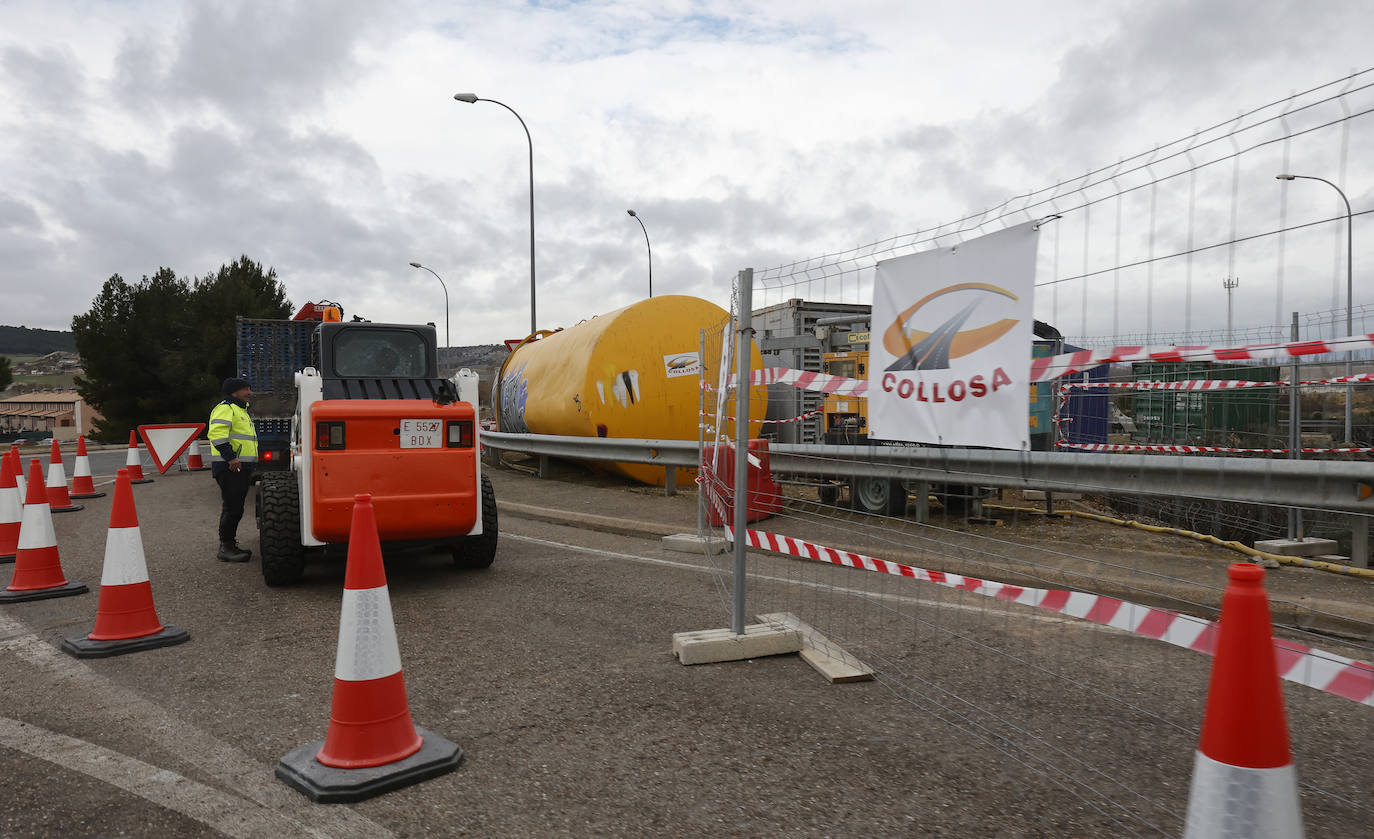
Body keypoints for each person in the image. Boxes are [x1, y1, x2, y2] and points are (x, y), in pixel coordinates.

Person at [208, 377, 258, 562]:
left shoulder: (240, 410)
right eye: (246, 389)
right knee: (233, 508)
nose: (249, 393)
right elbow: (216, 434)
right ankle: (226, 547)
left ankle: (229, 545)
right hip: (231, 466)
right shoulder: (226, 408)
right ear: (234, 392)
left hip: (239, 466)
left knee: (234, 507)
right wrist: (231, 457)